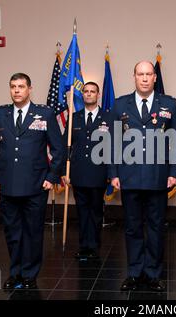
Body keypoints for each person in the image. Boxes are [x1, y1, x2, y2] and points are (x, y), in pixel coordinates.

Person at [109, 61, 176, 292]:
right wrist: (113, 173)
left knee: (155, 227)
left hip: (157, 176)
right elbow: (112, 142)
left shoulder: (169, 103)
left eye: (148, 74)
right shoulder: (121, 104)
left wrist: (175, 172)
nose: (144, 78)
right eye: (140, 74)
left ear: (155, 78)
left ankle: (152, 274)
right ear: (134, 77)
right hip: (129, 176)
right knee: (132, 227)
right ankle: (133, 272)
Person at [0, 73, 64, 289]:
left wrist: (51, 177)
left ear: (30, 89)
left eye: (21, 86)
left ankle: (29, 273)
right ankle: (15, 272)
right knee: (12, 232)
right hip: (8, 184)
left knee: (32, 232)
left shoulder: (44, 114)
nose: (17, 90)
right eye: (13, 86)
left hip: (36, 185)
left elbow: (58, 150)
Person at [63, 82, 111, 260]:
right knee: (82, 212)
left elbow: (115, 147)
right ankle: (84, 246)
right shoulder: (74, 118)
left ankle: (94, 245)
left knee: (96, 212)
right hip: (78, 173)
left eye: (93, 92)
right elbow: (65, 146)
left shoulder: (108, 117)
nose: (89, 94)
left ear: (98, 95)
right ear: (82, 95)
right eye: (86, 92)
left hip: (99, 173)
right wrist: (64, 172)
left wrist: (112, 173)